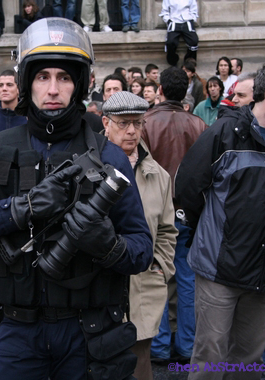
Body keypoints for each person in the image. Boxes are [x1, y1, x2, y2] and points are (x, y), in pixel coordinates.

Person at [0, 17, 153, 379]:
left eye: (64, 77)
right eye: (43, 77)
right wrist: (22, 208)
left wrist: (108, 245)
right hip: (19, 332)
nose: (53, 89)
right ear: (28, 83)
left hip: (90, 334)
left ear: (80, 84)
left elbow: (142, 249)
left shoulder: (109, 156)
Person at [175, 58, 265, 380]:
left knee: (248, 362)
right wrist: (211, 232)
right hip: (220, 269)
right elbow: (189, 184)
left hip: (264, 272)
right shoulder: (225, 132)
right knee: (210, 360)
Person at [103, 91, 177, 380]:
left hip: (143, 289)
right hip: (95, 290)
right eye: (123, 123)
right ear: (106, 123)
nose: (131, 130)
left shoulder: (157, 175)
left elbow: (168, 231)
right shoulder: (87, 165)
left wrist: (159, 267)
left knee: (139, 365)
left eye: (137, 123)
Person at [140, 67, 206, 365]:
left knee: (157, 274)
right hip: (188, 210)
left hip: (155, 208)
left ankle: (160, 345)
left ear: (161, 90)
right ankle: (187, 344)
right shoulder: (198, 124)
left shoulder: (147, 123)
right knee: (186, 275)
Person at [160, 0, 198, 66]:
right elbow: (165, 11)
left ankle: (189, 63)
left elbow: (194, 10)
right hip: (174, 21)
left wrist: (192, 18)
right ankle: (173, 62)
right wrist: (168, 20)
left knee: (194, 41)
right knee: (170, 42)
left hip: (187, 21)